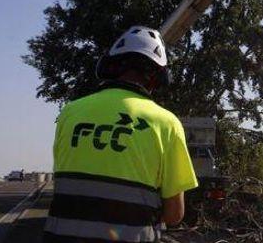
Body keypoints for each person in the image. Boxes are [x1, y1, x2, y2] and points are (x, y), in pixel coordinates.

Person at [44, 26, 198, 243]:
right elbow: (174, 215)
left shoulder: (70, 112)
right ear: (155, 78)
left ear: (111, 68)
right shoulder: (167, 124)